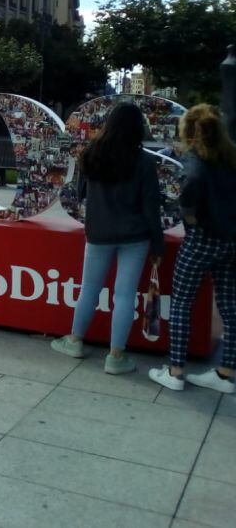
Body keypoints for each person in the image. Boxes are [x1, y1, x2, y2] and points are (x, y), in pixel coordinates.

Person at [51, 103, 163, 374]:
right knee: (124, 295)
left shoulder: (91, 155)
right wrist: (157, 245)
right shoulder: (145, 162)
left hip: (99, 232)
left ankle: (75, 340)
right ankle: (115, 356)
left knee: (89, 288)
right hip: (135, 235)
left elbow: (80, 194)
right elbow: (151, 206)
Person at [150, 104, 236, 394]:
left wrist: (190, 219)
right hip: (230, 240)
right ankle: (225, 373)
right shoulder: (231, 156)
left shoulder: (195, 160)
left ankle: (175, 371)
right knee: (230, 306)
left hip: (201, 240)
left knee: (182, 304)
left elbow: (190, 190)